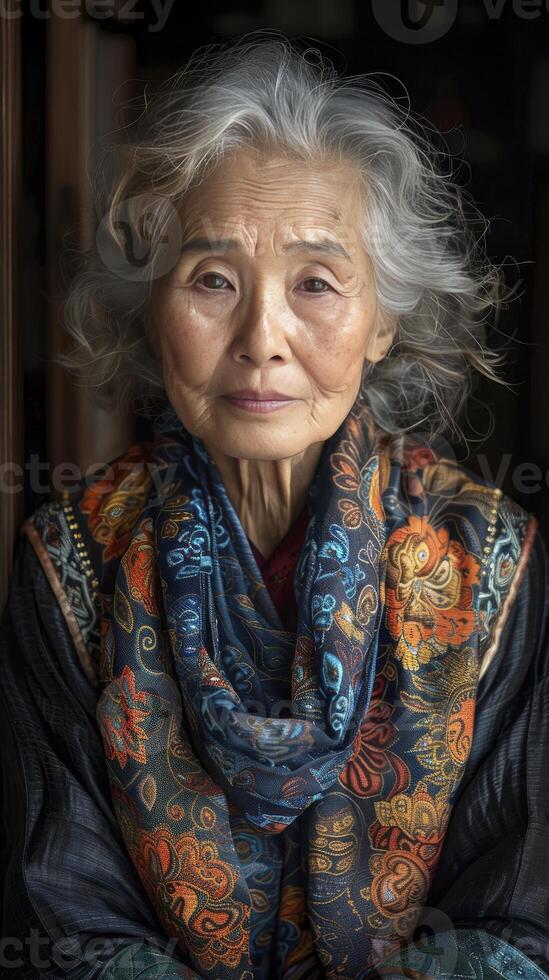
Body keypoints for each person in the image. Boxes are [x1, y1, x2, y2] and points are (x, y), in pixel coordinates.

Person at [1, 31, 548, 980]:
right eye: (212, 280)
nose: (263, 338)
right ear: (153, 307)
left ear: (383, 321)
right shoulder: (68, 564)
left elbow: (516, 921)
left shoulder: (488, 565)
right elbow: (65, 926)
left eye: (315, 284)